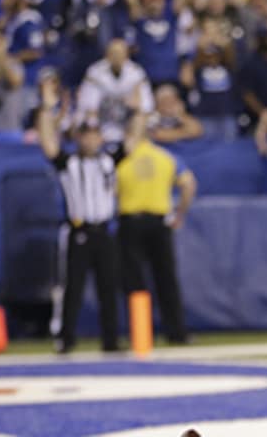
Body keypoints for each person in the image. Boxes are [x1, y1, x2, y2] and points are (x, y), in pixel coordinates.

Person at [37, 79, 120, 353]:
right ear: (78, 137)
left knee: (109, 288)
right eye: (85, 134)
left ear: (100, 137)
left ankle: (111, 341)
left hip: (104, 231)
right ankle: (66, 339)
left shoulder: (109, 160)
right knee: (73, 289)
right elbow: (48, 143)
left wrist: (140, 109)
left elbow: (134, 137)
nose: (90, 139)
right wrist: (47, 109)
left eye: (94, 134)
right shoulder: (69, 163)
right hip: (79, 231)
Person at [115, 108, 196, 346]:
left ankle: (140, 334)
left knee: (135, 280)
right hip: (158, 221)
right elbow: (189, 185)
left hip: (132, 221)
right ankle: (176, 332)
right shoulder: (166, 157)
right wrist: (179, 213)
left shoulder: (125, 155)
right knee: (165, 279)